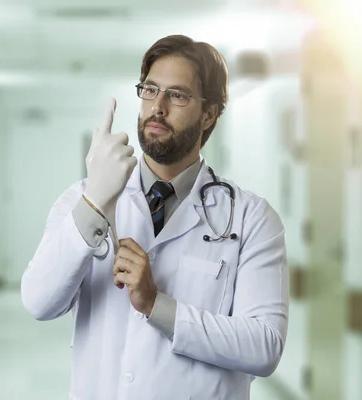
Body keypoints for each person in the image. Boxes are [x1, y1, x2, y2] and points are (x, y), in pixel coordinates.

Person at [21, 34, 289, 400]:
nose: (157, 107)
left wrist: (156, 305)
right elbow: (38, 301)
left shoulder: (251, 218)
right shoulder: (85, 200)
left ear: (209, 113)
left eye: (177, 95)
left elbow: (264, 347)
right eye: (150, 89)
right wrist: (95, 202)